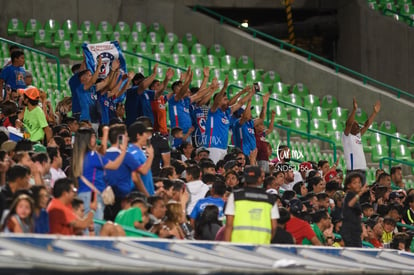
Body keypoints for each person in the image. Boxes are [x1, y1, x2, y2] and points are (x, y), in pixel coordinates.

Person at [71, 127, 127, 233]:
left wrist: (105, 133)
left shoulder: (82, 156)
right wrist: (123, 151)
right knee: (93, 228)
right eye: (92, 136)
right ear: (87, 140)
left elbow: (102, 150)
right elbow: (114, 165)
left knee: (88, 228)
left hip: (84, 194)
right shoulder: (93, 156)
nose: (95, 138)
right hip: (92, 197)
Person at [224, 165, 279, 244]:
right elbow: (273, 227)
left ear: (244, 179)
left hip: (238, 246)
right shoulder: (270, 199)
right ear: (260, 179)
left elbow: (229, 225)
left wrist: (227, 247)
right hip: (262, 246)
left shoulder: (235, 196)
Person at [204, 80, 254, 164]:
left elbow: (240, 103)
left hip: (224, 148)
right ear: (219, 101)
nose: (227, 102)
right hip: (213, 147)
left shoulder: (227, 112)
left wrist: (251, 93)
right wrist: (224, 88)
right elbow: (216, 101)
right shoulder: (213, 111)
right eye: (225, 99)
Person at [104, 124, 141, 221]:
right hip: (122, 199)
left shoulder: (102, 155)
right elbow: (143, 171)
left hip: (104, 199)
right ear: (121, 138)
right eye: (126, 136)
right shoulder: (126, 156)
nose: (128, 139)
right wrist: (151, 155)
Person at [342, 97, 380, 184]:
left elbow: (366, 125)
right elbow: (349, 123)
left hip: (362, 171)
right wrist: (354, 110)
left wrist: (374, 113)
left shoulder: (357, 136)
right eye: (355, 125)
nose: (357, 126)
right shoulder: (347, 136)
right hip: (353, 171)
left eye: (358, 125)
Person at [340, 172, 369, 247]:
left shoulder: (355, 197)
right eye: (354, 183)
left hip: (355, 231)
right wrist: (361, 192)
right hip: (350, 232)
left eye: (359, 182)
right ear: (348, 185)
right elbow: (350, 204)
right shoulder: (350, 195)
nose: (358, 185)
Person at [127, 121, 155, 196]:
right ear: (138, 135)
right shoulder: (133, 152)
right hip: (139, 197)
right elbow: (135, 177)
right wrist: (151, 156)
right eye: (145, 133)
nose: (147, 136)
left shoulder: (138, 151)